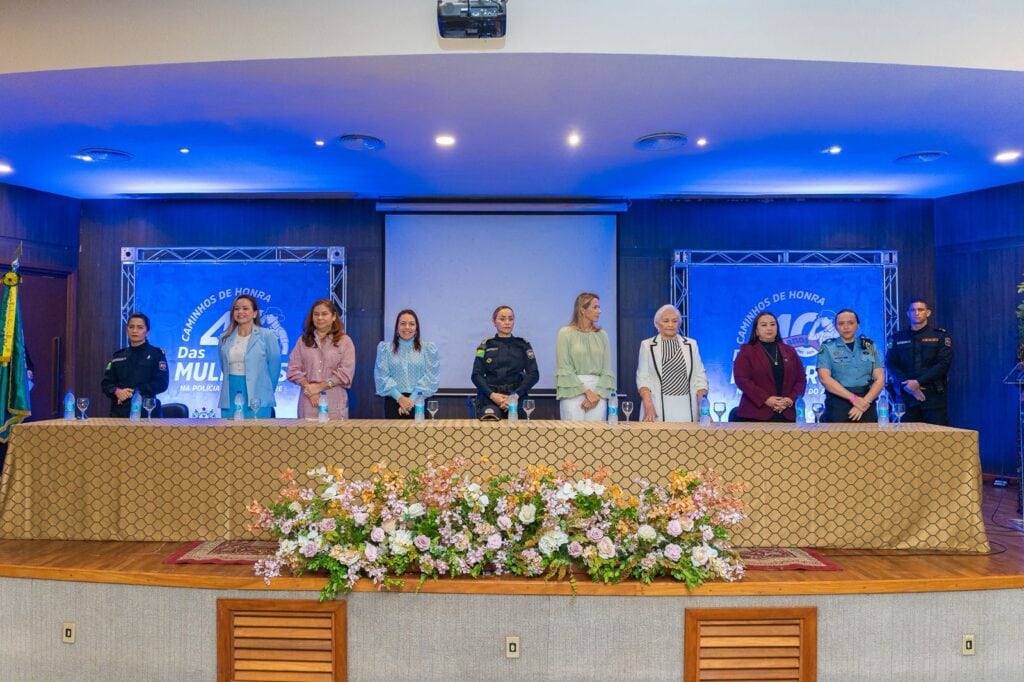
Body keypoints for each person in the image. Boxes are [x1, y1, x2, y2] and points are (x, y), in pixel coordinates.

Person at [635, 304, 709, 422]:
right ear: (657, 324)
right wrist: (648, 406)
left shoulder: (691, 345)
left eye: (674, 321)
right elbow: (643, 378)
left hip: (687, 409)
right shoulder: (647, 345)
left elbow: (700, 378)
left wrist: (703, 408)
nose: (670, 324)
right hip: (657, 408)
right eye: (666, 321)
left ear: (679, 324)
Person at [885, 299, 952, 425]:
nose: (916, 313)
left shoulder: (940, 336)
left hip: (933, 395)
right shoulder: (897, 337)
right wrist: (909, 386)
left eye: (920, 310)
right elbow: (890, 363)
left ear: (928, 313)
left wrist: (917, 383)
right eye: (913, 310)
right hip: (907, 395)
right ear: (907, 314)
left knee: (937, 438)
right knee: (908, 440)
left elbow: (943, 364)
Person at [287, 299, 355, 420]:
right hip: (308, 401)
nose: (320, 318)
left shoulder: (345, 341)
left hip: (334, 402)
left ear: (334, 317)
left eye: (324, 314)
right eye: (316, 314)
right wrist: (310, 389)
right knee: (306, 438)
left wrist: (319, 387)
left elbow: (346, 373)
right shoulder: (302, 341)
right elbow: (293, 370)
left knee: (335, 438)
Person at [732, 311, 806, 422]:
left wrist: (791, 399)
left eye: (773, 324)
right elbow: (742, 380)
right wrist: (766, 399)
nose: (769, 328)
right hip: (755, 414)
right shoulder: (747, 351)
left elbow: (801, 380)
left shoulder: (790, 351)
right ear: (756, 330)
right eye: (764, 325)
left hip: (786, 413)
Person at [217, 294, 282, 418]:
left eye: (245, 308)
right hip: (230, 393)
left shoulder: (267, 335)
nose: (240, 312)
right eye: (236, 309)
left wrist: (266, 393)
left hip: (258, 395)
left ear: (255, 313)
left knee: (257, 435)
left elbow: (274, 369)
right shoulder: (224, 338)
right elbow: (223, 365)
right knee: (229, 435)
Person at [816, 309, 885, 422]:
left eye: (851, 323)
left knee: (869, 439)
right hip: (838, 403)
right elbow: (825, 379)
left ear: (858, 325)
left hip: (866, 401)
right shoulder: (827, 347)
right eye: (841, 323)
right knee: (837, 439)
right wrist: (853, 399)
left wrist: (864, 402)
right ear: (836, 326)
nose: (846, 327)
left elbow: (880, 378)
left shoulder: (869, 346)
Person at [471, 305, 539, 418]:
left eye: (511, 319)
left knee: (519, 434)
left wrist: (515, 396)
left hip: (517, 398)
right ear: (494, 322)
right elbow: (476, 375)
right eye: (502, 319)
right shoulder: (485, 346)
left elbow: (534, 374)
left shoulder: (523, 345)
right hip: (490, 399)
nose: (507, 322)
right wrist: (493, 396)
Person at [555, 292, 615, 420]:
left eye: (599, 307)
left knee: (596, 436)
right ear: (582, 309)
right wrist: (587, 392)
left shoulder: (602, 335)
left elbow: (607, 369)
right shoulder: (565, 333)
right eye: (595, 307)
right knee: (572, 435)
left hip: (598, 391)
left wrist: (597, 394)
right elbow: (564, 367)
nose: (599, 311)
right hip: (572, 390)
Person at [101, 312, 170, 417]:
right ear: (127, 330)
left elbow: (161, 384)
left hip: (147, 412)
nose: (135, 330)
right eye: (131, 327)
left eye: (140, 327)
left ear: (147, 332)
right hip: (120, 412)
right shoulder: (118, 356)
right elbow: (106, 383)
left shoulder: (156, 354)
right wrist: (117, 391)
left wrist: (134, 392)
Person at [374, 309, 439, 419]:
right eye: (403, 324)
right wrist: (400, 398)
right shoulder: (385, 349)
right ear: (397, 328)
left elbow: (431, 377)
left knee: (420, 436)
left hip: (418, 402)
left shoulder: (427, 349)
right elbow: (382, 377)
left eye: (411, 324)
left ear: (416, 329)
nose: (407, 327)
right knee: (393, 436)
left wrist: (411, 400)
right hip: (393, 402)